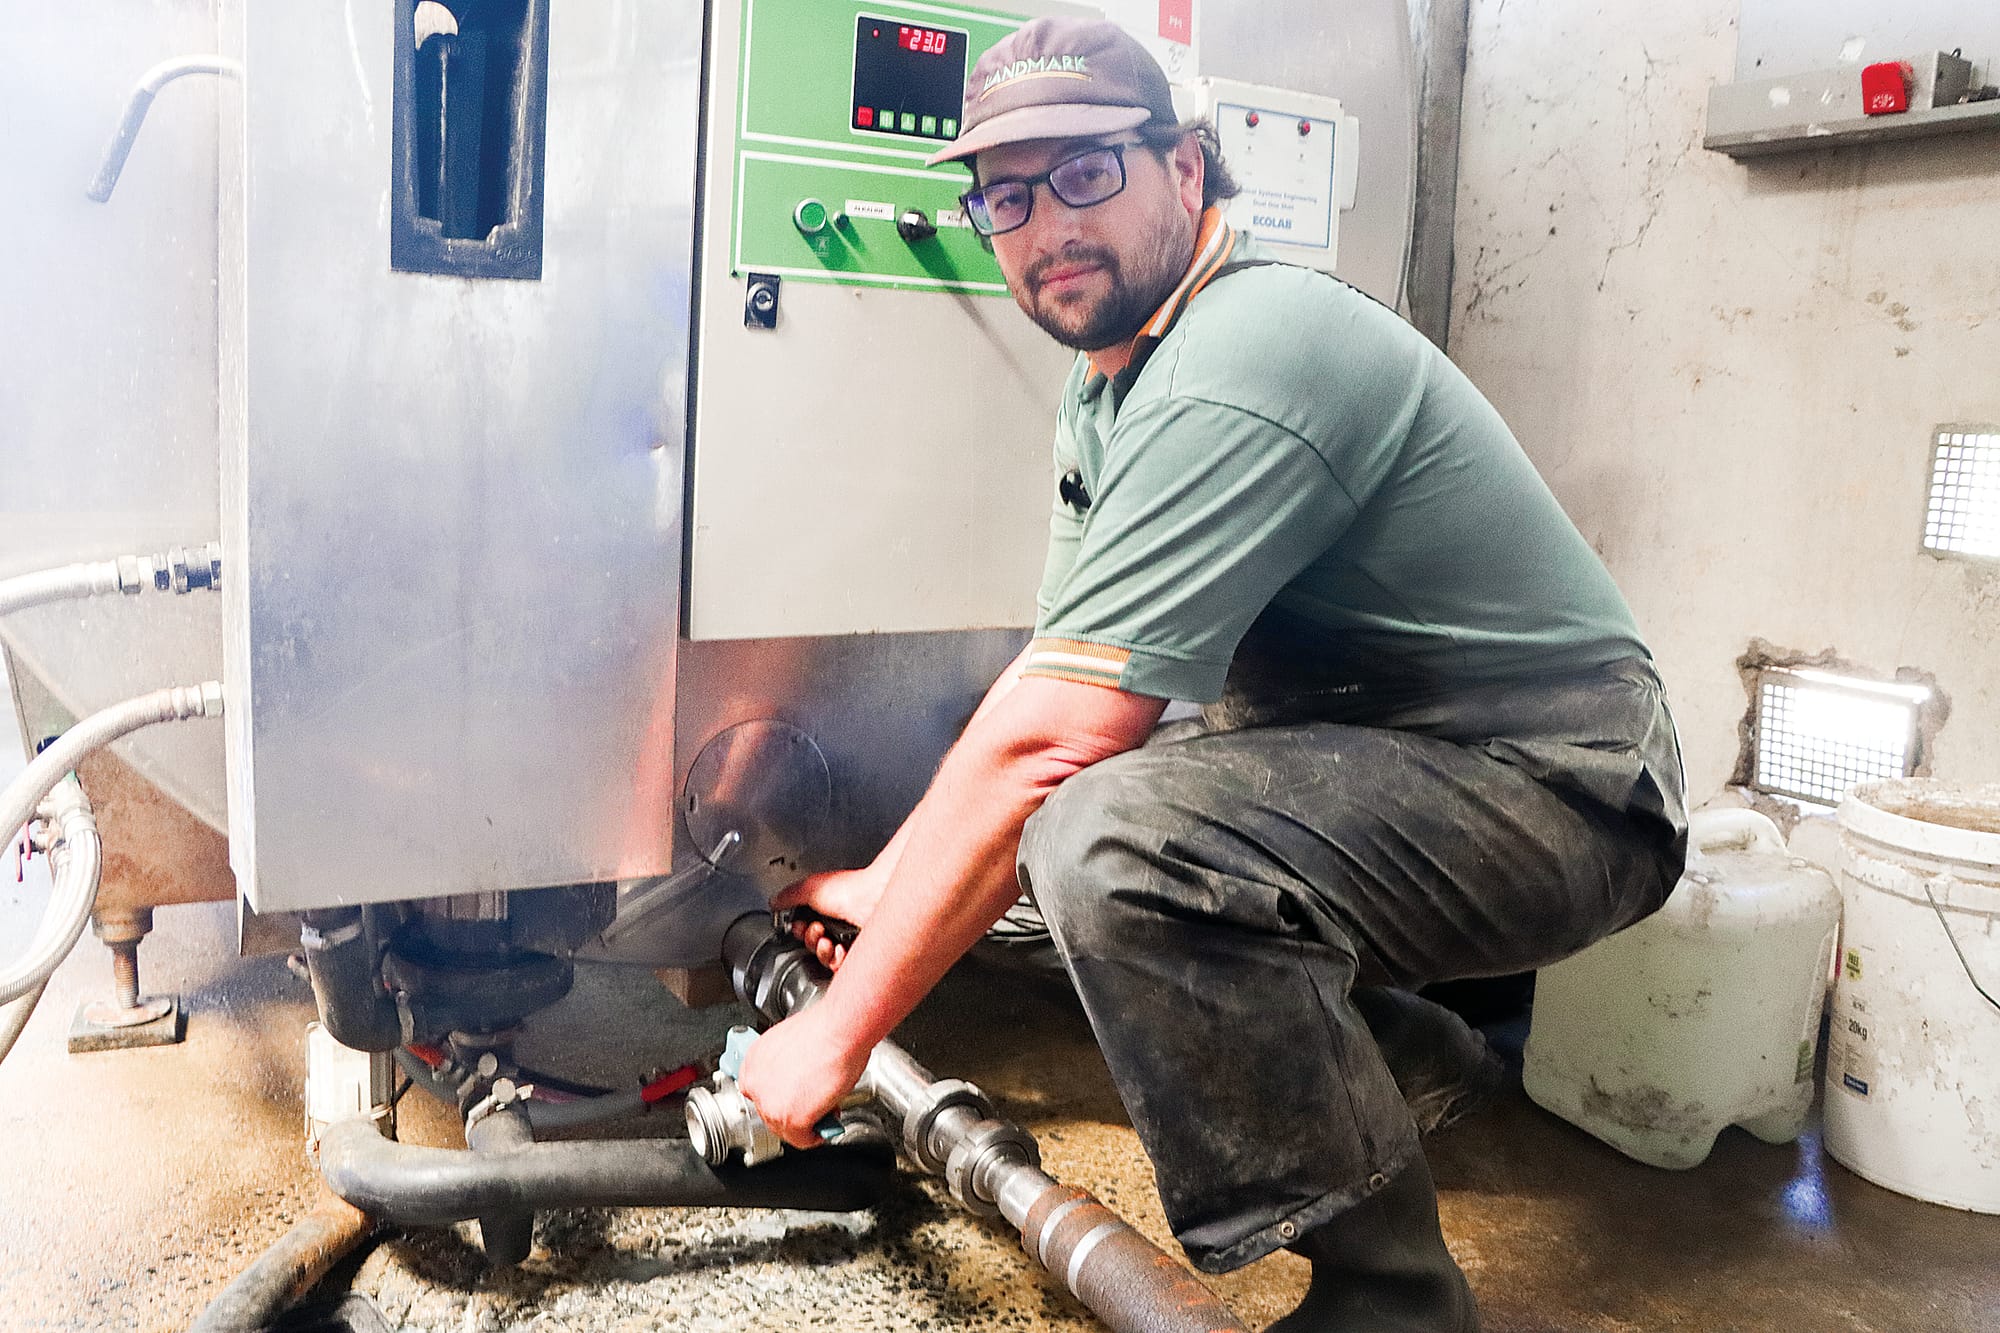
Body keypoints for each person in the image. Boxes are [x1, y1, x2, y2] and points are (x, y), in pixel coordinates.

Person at [738, 18, 1686, 1331]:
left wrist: (836, 1037)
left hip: (1568, 791)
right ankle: (1398, 1063)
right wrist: (889, 888)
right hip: (1396, 763)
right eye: (1004, 195)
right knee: (1029, 874)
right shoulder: (1111, 382)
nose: (1042, 226)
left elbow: (1056, 748)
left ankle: (1391, 1297)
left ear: (1186, 170)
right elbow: (1051, 681)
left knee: (1107, 846)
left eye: (1084, 175)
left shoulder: (1250, 354)